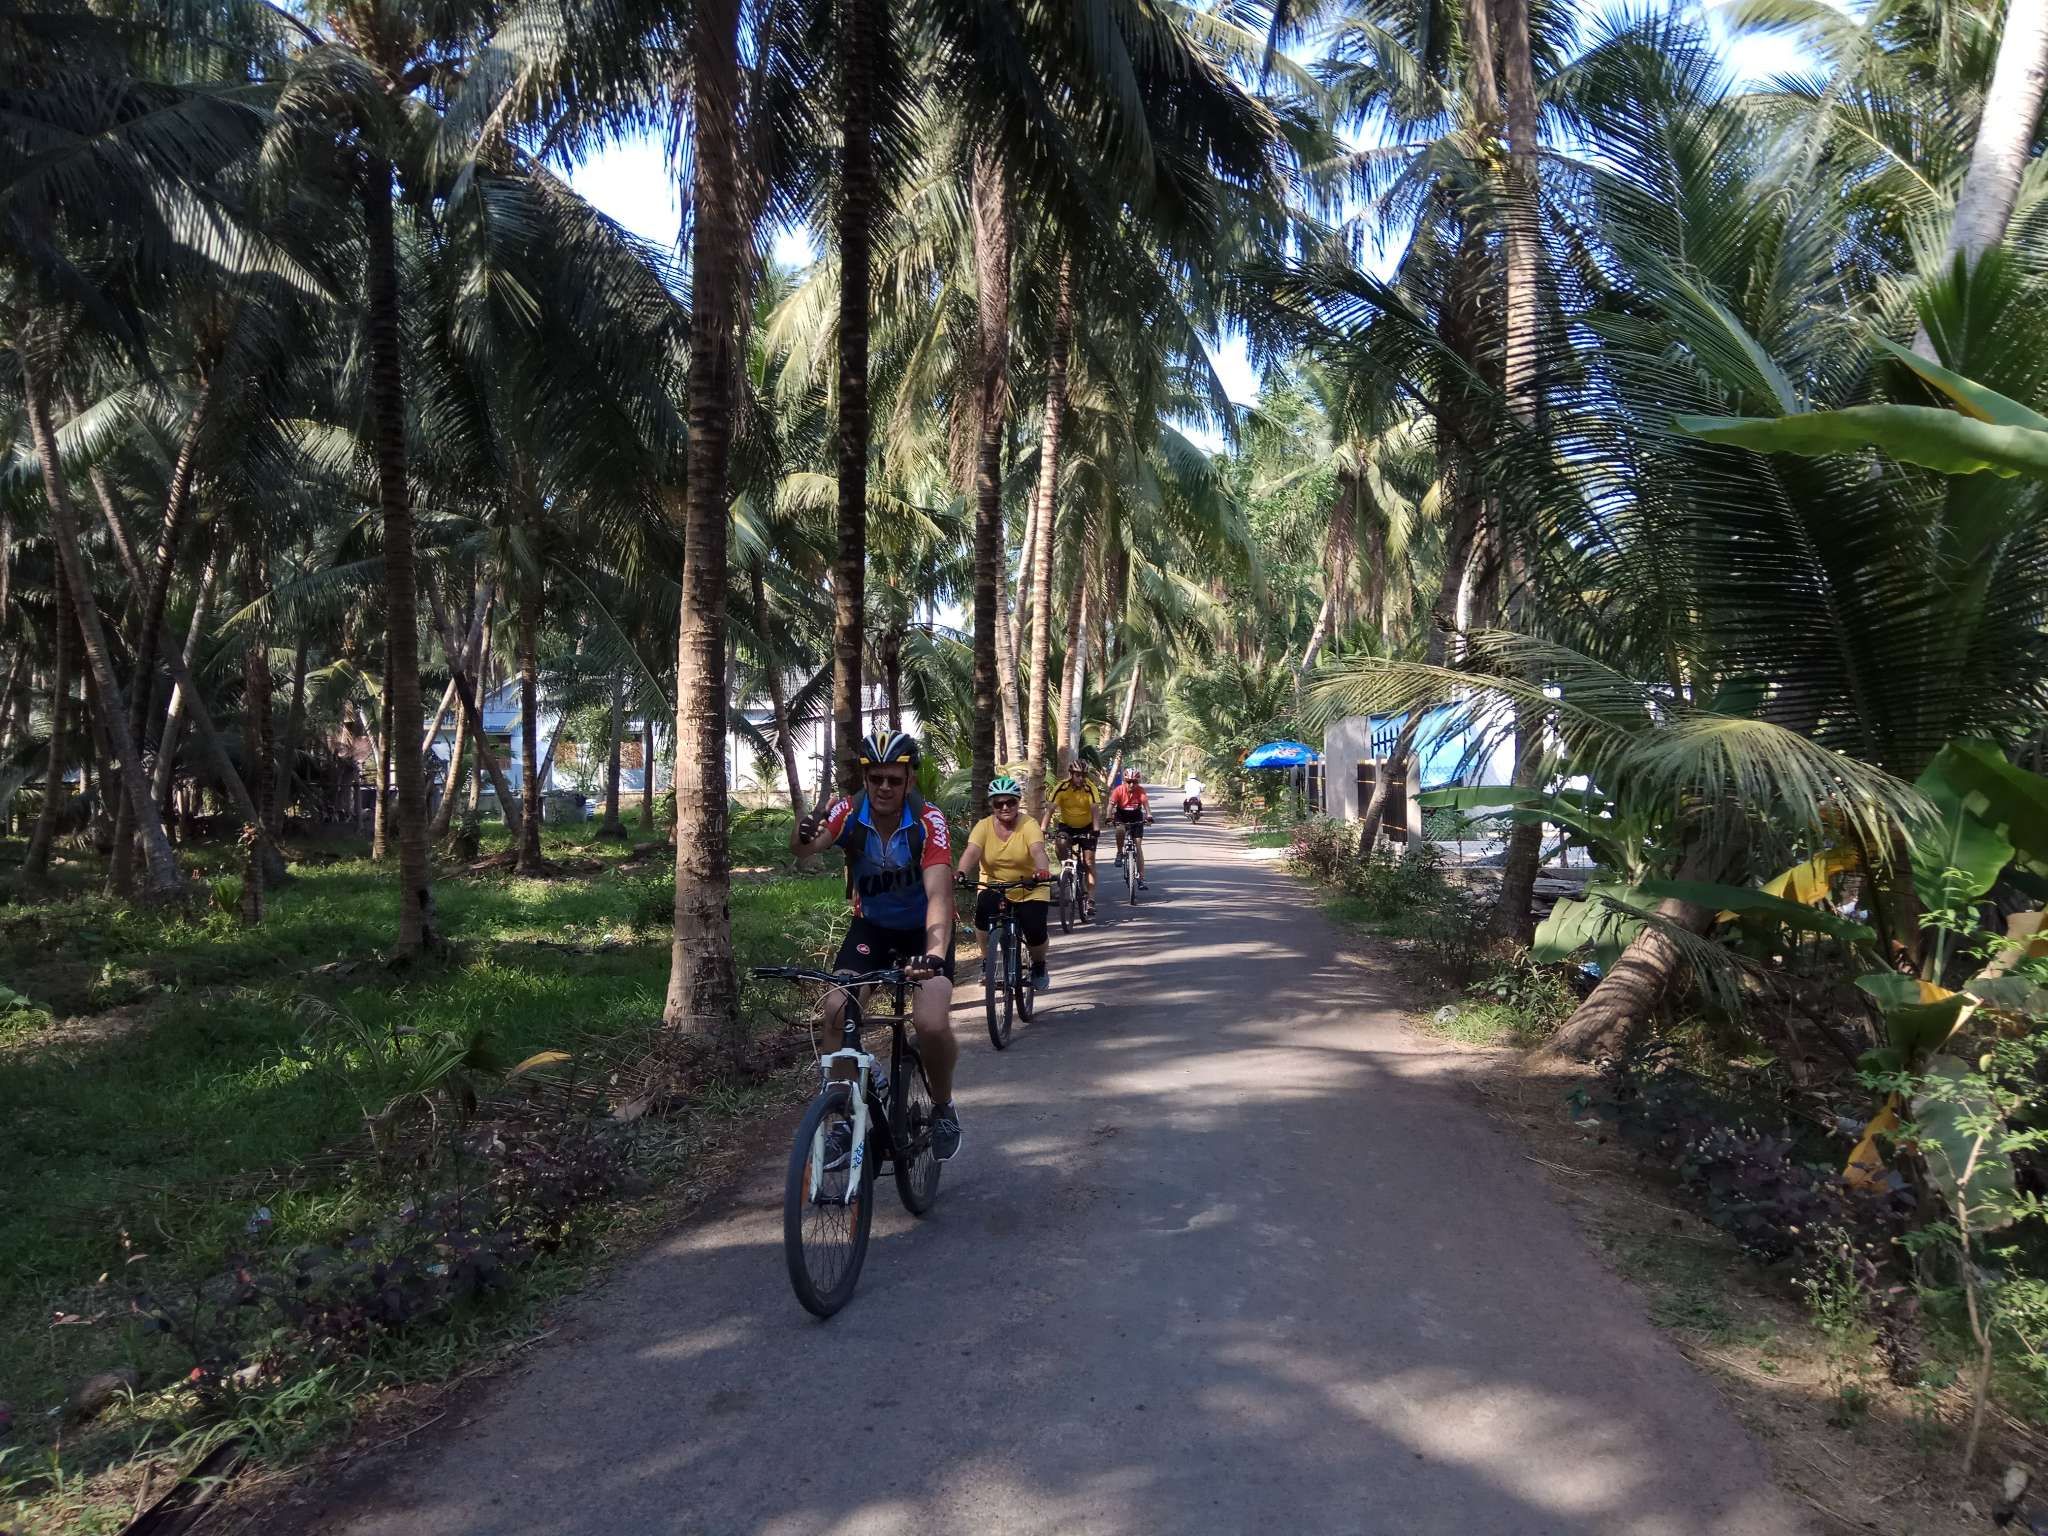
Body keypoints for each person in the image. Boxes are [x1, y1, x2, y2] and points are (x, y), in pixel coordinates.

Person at [789, 730, 963, 1161]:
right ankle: (848, 1116)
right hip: (872, 930)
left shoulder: (929, 822)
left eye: (894, 779)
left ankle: (943, 1107)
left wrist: (935, 956)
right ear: (865, 779)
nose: (884, 787)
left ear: (909, 780)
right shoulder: (849, 812)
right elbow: (806, 849)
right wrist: (803, 827)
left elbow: (940, 897)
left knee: (932, 1023)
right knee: (836, 1011)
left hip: (924, 933)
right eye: (876, 778)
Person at [958, 775, 1055, 990]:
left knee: (1034, 928)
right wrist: (961, 872)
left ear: (1018, 801)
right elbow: (972, 851)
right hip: (994, 884)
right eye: (999, 803)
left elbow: (1038, 850)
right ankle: (987, 960)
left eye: (1010, 802)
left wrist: (1042, 870)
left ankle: (1039, 964)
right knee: (983, 917)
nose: (1005, 807)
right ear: (992, 804)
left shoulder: (1028, 825)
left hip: (1030, 885)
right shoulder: (983, 827)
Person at [1047, 758, 1103, 918]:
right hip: (1067, 826)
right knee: (1061, 842)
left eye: (1083, 775)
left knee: (1089, 862)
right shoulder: (1062, 787)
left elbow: (1094, 809)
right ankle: (1066, 872)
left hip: (1087, 827)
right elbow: (1050, 809)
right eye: (1077, 775)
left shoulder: (1090, 788)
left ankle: (1090, 900)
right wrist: (1043, 828)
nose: (1080, 778)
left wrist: (1096, 829)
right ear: (1071, 774)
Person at [1109, 766, 1152, 887]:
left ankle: (1141, 877)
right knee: (1120, 830)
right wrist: (1108, 816)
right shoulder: (1118, 790)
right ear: (1124, 781)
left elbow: (1146, 806)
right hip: (1121, 815)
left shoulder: (1141, 791)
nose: (1132, 785)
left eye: (1134, 782)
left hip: (1136, 816)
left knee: (1138, 846)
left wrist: (1149, 816)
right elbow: (1110, 807)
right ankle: (1119, 853)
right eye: (1129, 782)